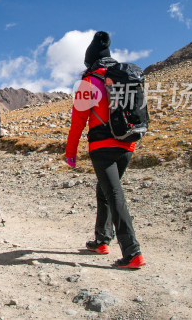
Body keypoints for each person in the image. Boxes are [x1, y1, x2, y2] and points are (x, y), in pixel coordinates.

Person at [65, 31, 146, 269]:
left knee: (114, 194)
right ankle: (101, 239)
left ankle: (132, 252)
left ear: (90, 61)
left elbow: (77, 122)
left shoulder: (88, 82)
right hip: (127, 144)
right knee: (105, 190)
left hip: (102, 148)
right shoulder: (122, 78)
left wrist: (71, 152)